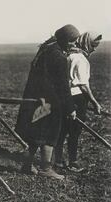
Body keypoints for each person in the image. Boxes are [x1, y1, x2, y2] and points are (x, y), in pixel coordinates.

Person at [15, 24, 80, 180]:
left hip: (38, 99)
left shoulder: (46, 49)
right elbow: (63, 86)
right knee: (51, 134)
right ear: (64, 39)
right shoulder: (58, 56)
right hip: (51, 102)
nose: (74, 44)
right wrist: (70, 108)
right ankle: (45, 168)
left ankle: (27, 165)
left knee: (36, 132)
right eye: (72, 41)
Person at [54, 32, 102, 172]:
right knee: (74, 131)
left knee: (62, 130)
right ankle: (73, 162)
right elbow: (83, 85)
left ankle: (58, 160)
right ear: (86, 43)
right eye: (93, 45)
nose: (94, 49)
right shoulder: (81, 59)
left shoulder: (68, 55)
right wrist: (94, 102)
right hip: (77, 98)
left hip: (65, 97)